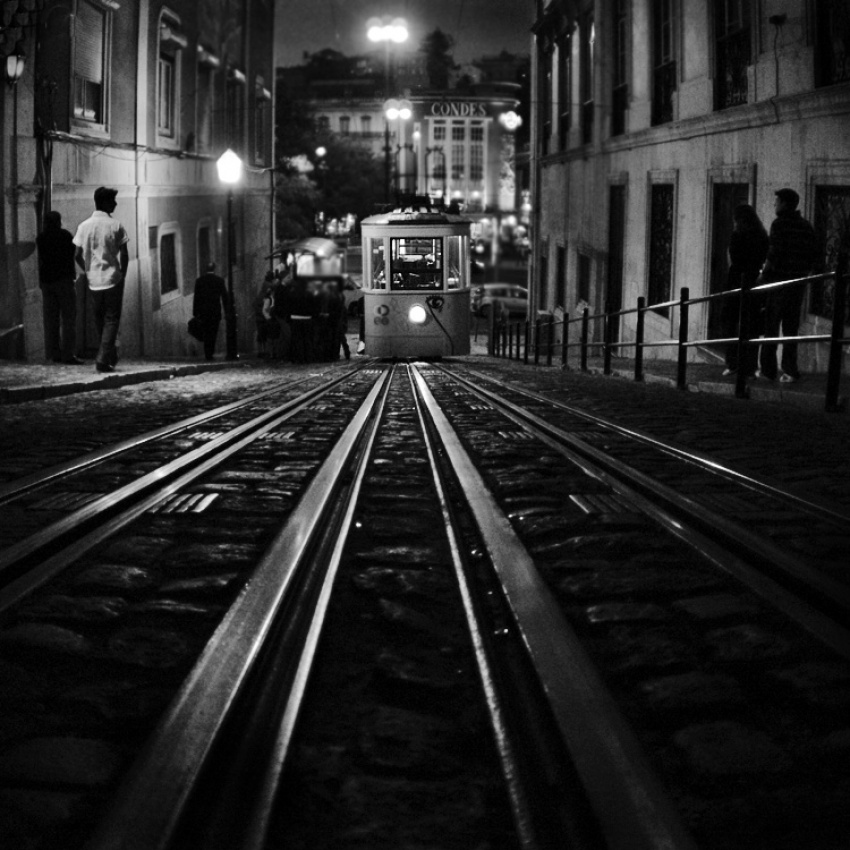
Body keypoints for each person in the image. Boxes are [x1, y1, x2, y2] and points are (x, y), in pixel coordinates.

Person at [756, 188, 819, 383]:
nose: (774, 204)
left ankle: (768, 371)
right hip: (797, 283)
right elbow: (813, 254)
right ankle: (790, 370)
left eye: (777, 201)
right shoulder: (806, 226)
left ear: (784, 203)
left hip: (779, 282)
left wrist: (763, 276)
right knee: (791, 328)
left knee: (771, 327)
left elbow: (774, 253)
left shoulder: (779, 224)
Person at [73, 187, 130, 373]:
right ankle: (102, 358)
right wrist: (122, 273)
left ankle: (109, 355)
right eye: (113, 201)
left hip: (93, 281)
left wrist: (88, 270)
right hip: (113, 279)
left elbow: (77, 254)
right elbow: (124, 254)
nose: (115, 204)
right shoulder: (116, 225)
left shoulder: (83, 226)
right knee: (112, 319)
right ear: (104, 202)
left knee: (99, 319)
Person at [721, 204, 769, 378]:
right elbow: (763, 257)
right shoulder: (762, 236)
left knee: (731, 322)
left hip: (736, 281)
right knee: (751, 324)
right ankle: (749, 365)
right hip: (754, 281)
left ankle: (733, 363)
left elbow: (734, 258)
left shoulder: (738, 235)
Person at [36, 210, 82, 364]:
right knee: (68, 318)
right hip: (64, 280)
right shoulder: (66, 236)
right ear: (59, 221)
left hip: (47, 281)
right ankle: (68, 354)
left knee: (52, 320)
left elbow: (42, 259)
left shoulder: (41, 238)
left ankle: (54, 353)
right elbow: (70, 255)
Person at [192, 262, 228, 360]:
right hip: (215, 311)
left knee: (206, 332)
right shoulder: (219, 281)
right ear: (214, 269)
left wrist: (195, 312)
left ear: (206, 269)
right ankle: (210, 352)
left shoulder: (199, 281)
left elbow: (196, 298)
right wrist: (227, 311)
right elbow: (224, 297)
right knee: (213, 332)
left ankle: (207, 353)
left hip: (203, 312)